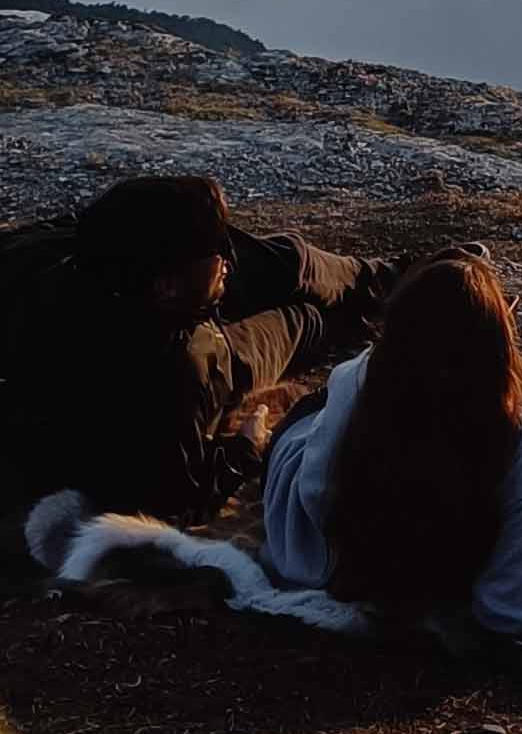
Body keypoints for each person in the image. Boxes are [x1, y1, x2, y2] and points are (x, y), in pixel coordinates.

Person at [0, 172, 387, 526]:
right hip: (209, 344)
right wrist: (246, 446)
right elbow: (178, 497)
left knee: (290, 261)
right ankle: (370, 299)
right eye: (218, 249)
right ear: (166, 285)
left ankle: (384, 277)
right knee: (302, 321)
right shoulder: (168, 374)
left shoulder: (65, 257)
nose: (227, 259)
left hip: (165, 292)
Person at [263, 248, 522, 635]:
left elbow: (314, 526)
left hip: (328, 441)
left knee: (511, 392)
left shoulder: (359, 382)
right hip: (301, 439)